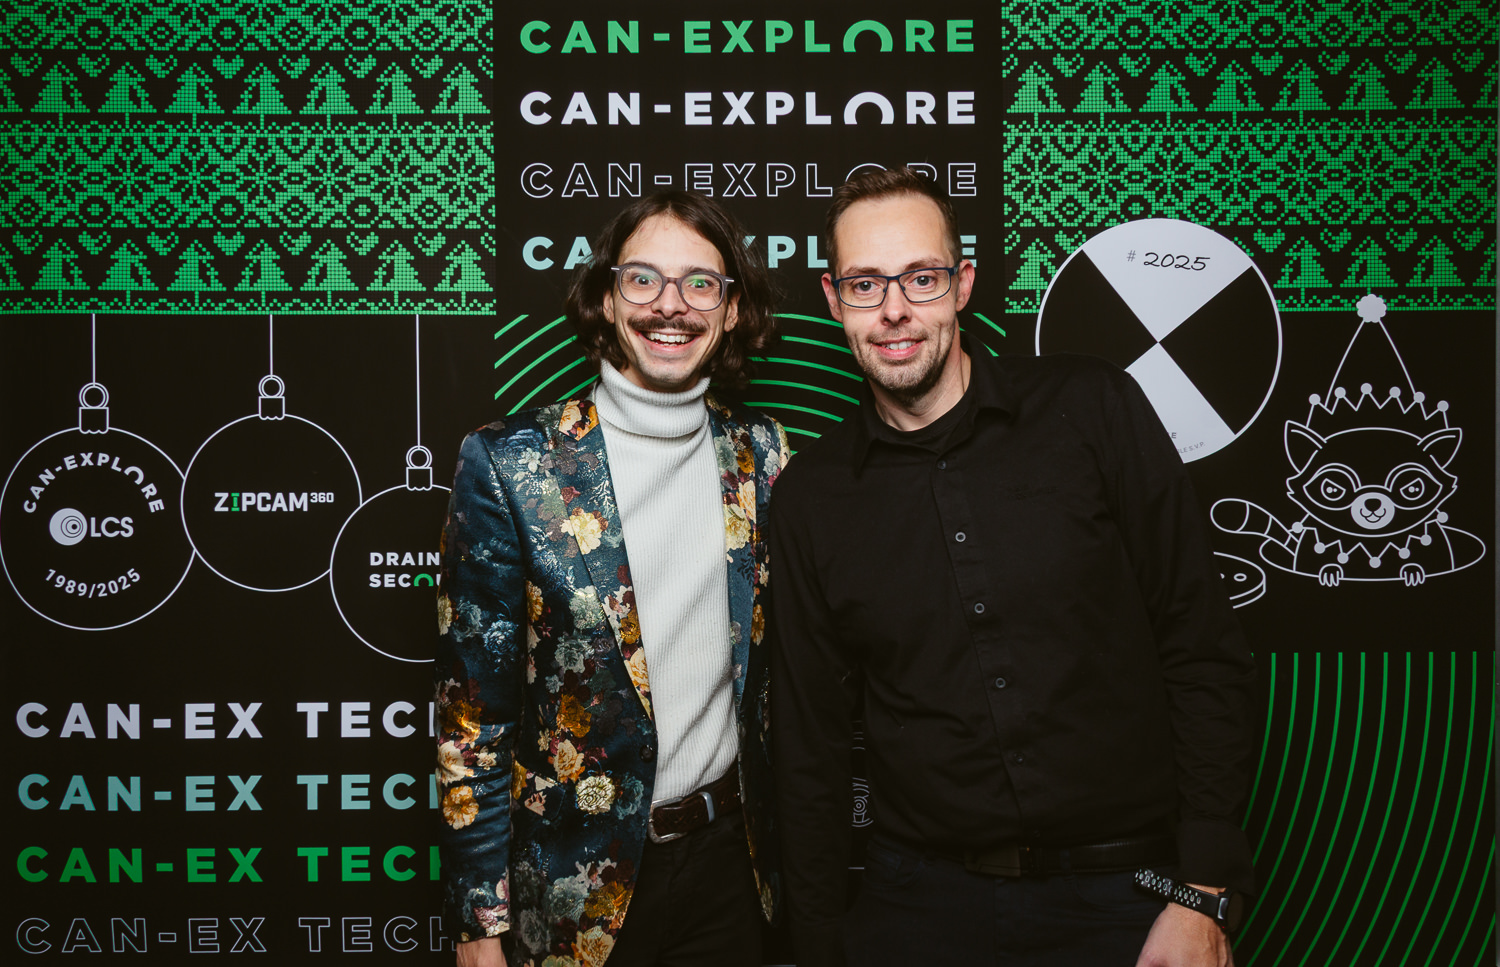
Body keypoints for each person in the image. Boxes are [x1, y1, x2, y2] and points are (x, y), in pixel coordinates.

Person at [769, 166, 1257, 966]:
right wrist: (818, 945)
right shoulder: (811, 499)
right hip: (918, 906)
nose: (894, 309)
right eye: (865, 284)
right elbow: (809, 747)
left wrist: (1202, 889)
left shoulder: (1092, 408)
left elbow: (1199, 645)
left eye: (920, 277)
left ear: (962, 283)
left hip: (1128, 898)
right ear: (833, 299)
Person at [435, 191, 788, 967]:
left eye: (701, 282)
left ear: (732, 310)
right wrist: (478, 926)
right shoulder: (511, 464)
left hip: (729, 873)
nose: (671, 304)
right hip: (571, 885)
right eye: (643, 279)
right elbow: (472, 720)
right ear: (606, 297)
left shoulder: (763, 456)